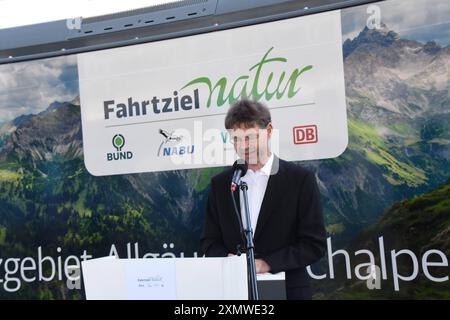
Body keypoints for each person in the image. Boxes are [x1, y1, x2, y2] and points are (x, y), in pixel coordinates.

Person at [201, 98, 327, 300]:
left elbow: (314, 245)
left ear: (268, 131)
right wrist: (229, 261)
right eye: (236, 139)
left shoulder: (299, 180)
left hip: (288, 291)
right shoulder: (221, 184)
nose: (243, 146)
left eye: (250, 137)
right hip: (234, 293)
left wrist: (265, 264)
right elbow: (209, 242)